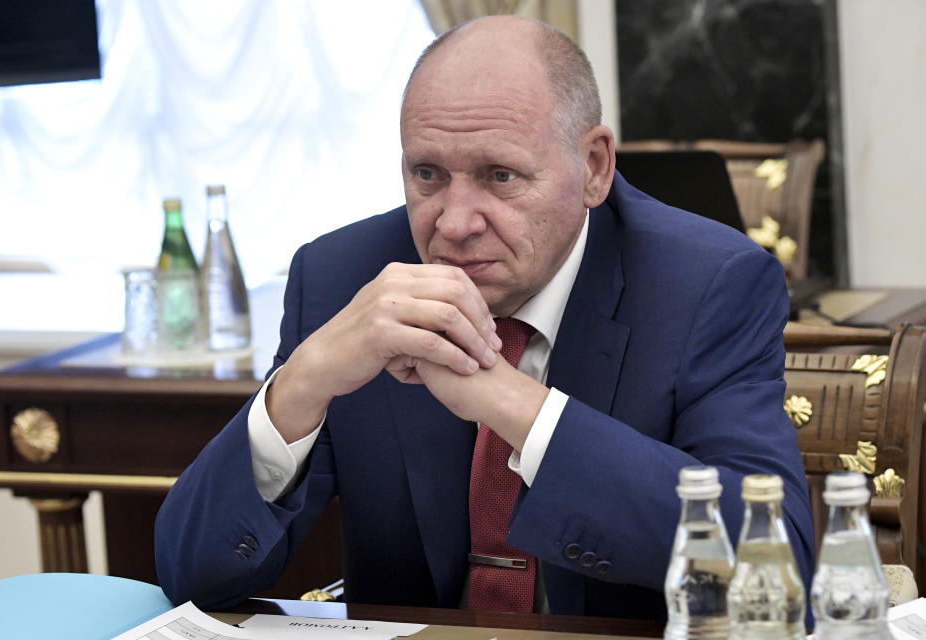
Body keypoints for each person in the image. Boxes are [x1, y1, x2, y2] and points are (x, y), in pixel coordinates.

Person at [154, 15, 814, 619]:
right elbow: (192, 576)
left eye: (500, 176)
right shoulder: (343, 277)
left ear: (593, 168)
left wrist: (512, 405)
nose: (455, 223)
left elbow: (779, 563)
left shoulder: (706, 285)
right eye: (428, 175)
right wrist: (304, 381)